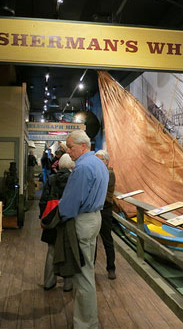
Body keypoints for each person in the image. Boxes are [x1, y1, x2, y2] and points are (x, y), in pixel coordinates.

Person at [58, 130, 109, 329]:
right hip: (95, 219)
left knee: (83, 274)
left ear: (83, 146)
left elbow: (71, 201)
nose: (68, 151)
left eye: (70, 147)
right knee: (87, 268)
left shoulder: (82, 168)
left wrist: (59, 216)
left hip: (83, 220)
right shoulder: (99, 164)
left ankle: (86, 324)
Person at [39, 154, 75, 292]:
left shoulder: (51, 179)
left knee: (51, 250)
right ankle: (68, 284)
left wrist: (44, 218)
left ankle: (49, 282)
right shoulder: (73, 179)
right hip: (68, 220)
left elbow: (43, 200)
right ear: (72, 165)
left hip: (52, 218)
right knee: (68, 251)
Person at [95, 149, 116, 279]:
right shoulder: (101, 172)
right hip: (97, 209)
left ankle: (111, 268)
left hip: (105, 210)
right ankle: (91, 266)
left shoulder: (109, 173)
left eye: (99, 160)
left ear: (106, 161)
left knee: (107, 240)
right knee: (93, 241)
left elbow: (99, 187)